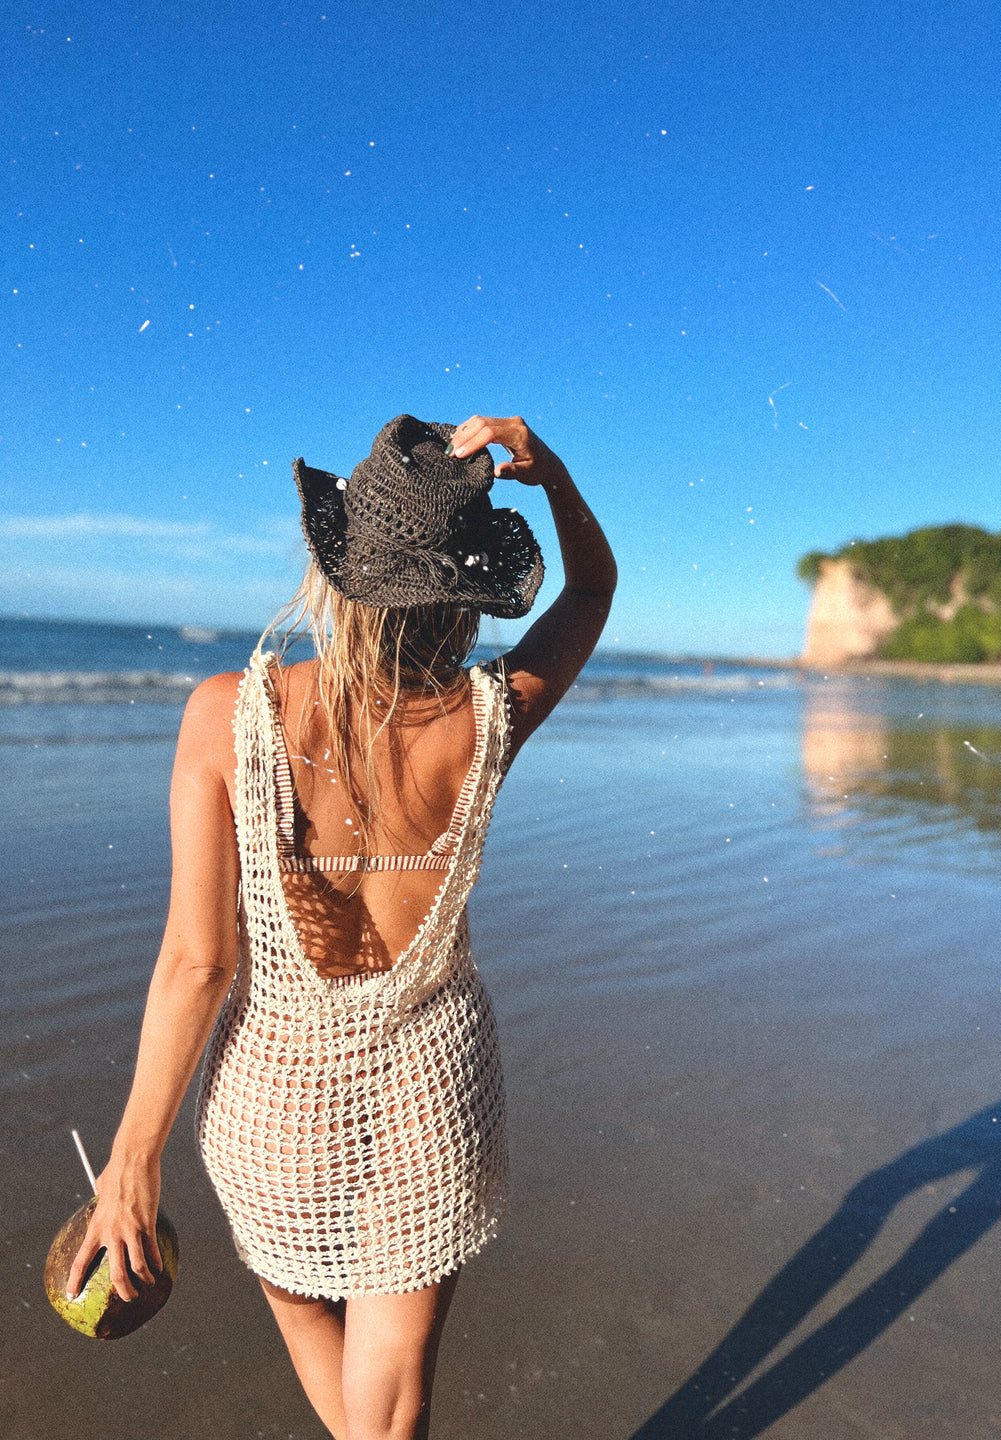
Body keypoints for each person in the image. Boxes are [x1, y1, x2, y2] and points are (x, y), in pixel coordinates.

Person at [65, 414, 617, 1440]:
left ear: (336, 571)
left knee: (326, 1353)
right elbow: (591, 592)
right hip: (434, 1091)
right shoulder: (492, 714)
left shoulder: (228, 715)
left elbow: (198, 962)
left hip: (274, 1098)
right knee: (389, 1407)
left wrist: (133, 1161)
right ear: (469, 592)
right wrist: (555, 476)